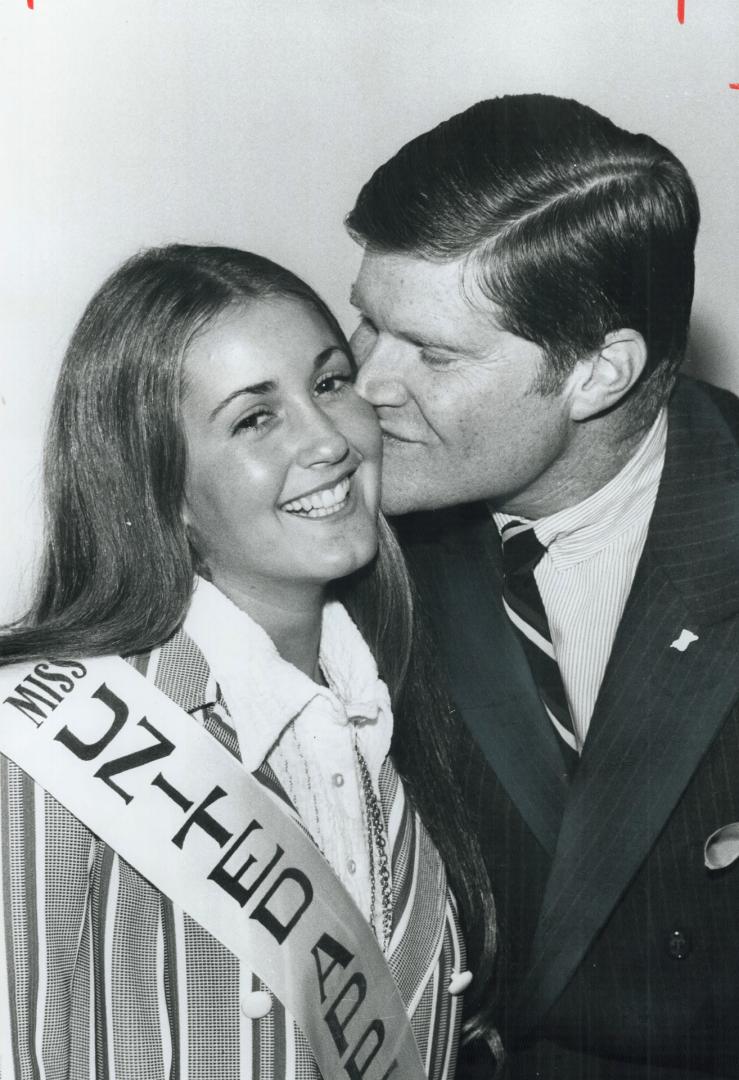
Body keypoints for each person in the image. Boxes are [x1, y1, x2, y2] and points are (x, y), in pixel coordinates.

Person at [0, 245, 496, 1079]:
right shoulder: (46, 745)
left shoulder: (390, 706)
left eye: (330, 382)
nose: (329, 440)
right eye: (254, 419)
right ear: (159, 488)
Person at [345, 94, 739, 1078]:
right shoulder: (338, 536)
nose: (362, 387)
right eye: (368, 326)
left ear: (597, 375)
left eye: (431, 354)